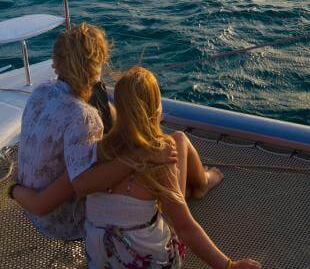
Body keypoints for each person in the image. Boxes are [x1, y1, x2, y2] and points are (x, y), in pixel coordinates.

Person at [14, 66, 262, 269]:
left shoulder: (94, 154)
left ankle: (200, 183)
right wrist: (229, 265)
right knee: (177, 141)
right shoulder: (158, 160)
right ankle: (201, 184)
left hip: (101, 261)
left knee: (174, 145)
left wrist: (14, 189)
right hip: (147, 262)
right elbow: (186, 229)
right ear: (156, 109)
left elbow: (46, 199)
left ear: (117, 108)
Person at [12, 23, 177, 241]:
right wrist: (139, 157)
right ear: (97, 65)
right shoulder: (85, 116)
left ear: (56, 63)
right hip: (63, 222)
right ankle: (181, 203)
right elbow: (82, 184)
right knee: (163, 151)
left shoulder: (41, 92)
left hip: (32, 207)